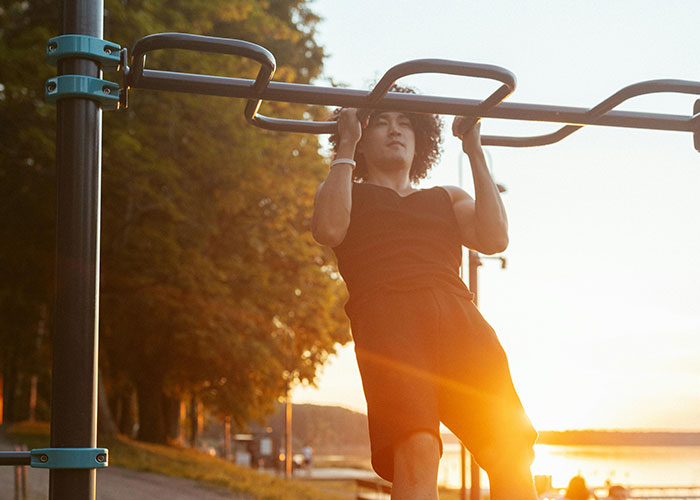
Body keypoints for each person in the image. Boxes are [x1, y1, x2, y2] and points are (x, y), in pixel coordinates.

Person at [311, 86, 537, 500]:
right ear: (362, 136)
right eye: (381, 122)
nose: (395, 130)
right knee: (418, 448)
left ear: (421, 139)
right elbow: (328, 229)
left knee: (512, 451)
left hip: (460, 321)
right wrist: (346, 143)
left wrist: (474, 149)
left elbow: (494, 237)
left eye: (404, 123)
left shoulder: (446, 197)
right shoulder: (347, 191)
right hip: (391, 323)